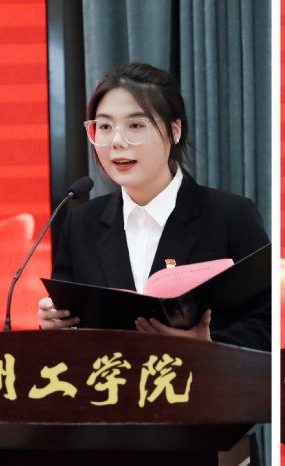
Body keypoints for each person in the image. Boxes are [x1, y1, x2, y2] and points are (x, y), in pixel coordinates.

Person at [38, 63, 270, 352]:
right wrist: (53, 326)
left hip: (204, 379)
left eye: (136, 126)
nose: (117, 142)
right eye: (105, 127)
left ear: (174, 131)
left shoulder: (230, 217)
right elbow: (68, 326)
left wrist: (209, 346)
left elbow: (268, 322)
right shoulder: (82, 224)